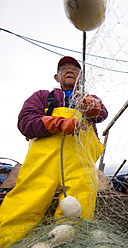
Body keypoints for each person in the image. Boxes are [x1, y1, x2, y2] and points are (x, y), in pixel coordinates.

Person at [0, 56, 108, 247]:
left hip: (80, 165)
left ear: (80, 79)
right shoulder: (42, 96)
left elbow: (101, 114)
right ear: (56, 77)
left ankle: (68, 243)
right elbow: (25, 122)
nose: (70, 71)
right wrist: (57, 122)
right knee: (25, 202)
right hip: (43, 162)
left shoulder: (89, 98)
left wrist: (90, 105)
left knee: (79, 208)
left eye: (75, 69)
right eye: (64, 68)